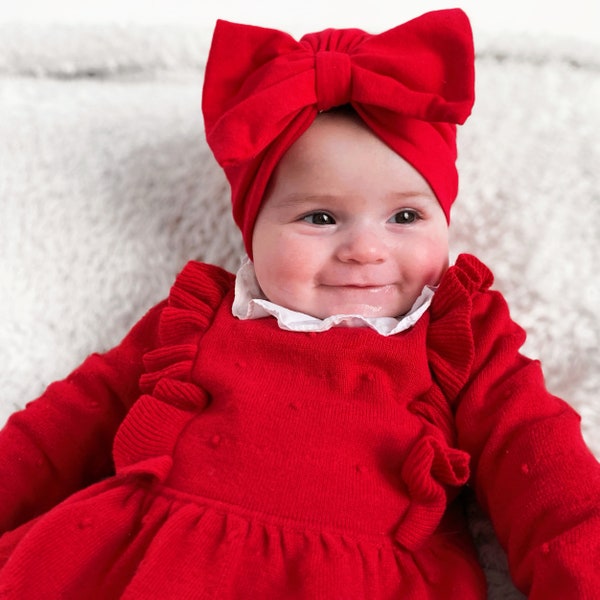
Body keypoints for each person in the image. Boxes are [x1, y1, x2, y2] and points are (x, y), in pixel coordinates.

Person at [0, 8, 598, 599]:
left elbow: (548, 480)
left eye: (406, 216)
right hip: (144, 561)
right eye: (320, 217)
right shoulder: (198, 321)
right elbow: (56, 434)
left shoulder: (459, 337)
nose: (365, 249)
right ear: (252, 234)